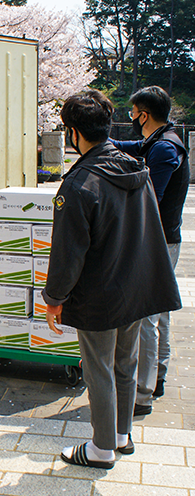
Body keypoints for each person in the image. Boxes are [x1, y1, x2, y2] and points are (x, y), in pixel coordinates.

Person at [43, 90, 181, 469]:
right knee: (125, 363)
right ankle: (121, 436)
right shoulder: (134, 168)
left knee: (98, 368)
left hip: (100, 293)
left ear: (73, 133)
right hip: (136, 286)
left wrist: (54, 297)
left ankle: (102, 448)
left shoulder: (79, 184)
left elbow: (67, 253)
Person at [111, 86, 189, 414]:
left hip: (161, 241)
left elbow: (150, 197)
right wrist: (103, 142)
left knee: (146, 315)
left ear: (143, 113)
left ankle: (142, 393)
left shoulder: (165, 149)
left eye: (133, 112)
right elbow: (134, 146)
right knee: (161, 310)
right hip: (166, 238)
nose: (130, 118)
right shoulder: (160, 139)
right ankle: (158, 373)